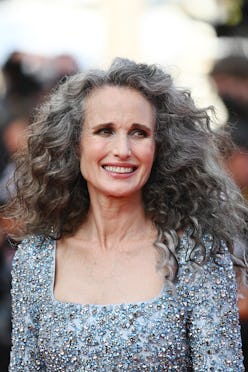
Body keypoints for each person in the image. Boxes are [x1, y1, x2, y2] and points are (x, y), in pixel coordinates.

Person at [1, 57, 248, 371]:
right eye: (105, 131)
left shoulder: (197, 256)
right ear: (75, 144)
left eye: (139, 133)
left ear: (160, 147)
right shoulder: (36, 258)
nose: (122, 149)